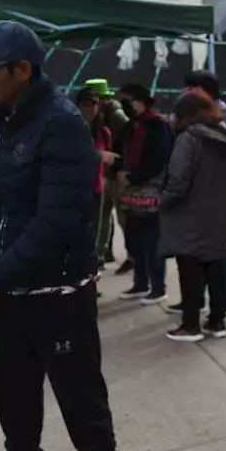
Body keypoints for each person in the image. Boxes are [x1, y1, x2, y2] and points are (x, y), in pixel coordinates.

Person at [0, 21, 127, 451]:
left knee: (80, 398)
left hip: (59, 294)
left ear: (22, 70)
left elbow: (55, 221)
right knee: (13, 394)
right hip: (7, 294)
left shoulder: (61, 123)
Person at [160, 89, 226, 342]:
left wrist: (163, 202)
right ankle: (217, 322)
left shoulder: (190, 139)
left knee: (190, 271)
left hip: (190, 216)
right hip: (218, 214)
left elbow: (178, 180)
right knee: (216, 268)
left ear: (189, 114)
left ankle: (190, 325)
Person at [115, 83, 172, 305]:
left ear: (141, 101)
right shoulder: (131, 126)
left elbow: (158, 160)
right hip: (131, 191)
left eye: (129, 101)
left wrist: (133, 176)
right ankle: (140, 283)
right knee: (134, 239)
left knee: (152, 240)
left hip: (151, 189)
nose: (126, 106)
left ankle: (158, 287)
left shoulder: (158, 126)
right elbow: (122, 151)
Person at [85, 79, 130, 271]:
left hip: (117, 172)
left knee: (122, 217)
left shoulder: (117, 116)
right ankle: (102, 253)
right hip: (106, 172)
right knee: (103, 216)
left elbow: (129, 143)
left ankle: (133, 255)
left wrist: (122, 167)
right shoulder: (101, 116)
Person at [75, 87, 120, 273]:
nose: (90, 109)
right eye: (86, 105)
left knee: (94, 231)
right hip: (75, 188)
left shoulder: (104, 131)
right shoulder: (70, 127)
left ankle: (90, 273)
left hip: (96, 186)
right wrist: (97, 155)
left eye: (93, 104)